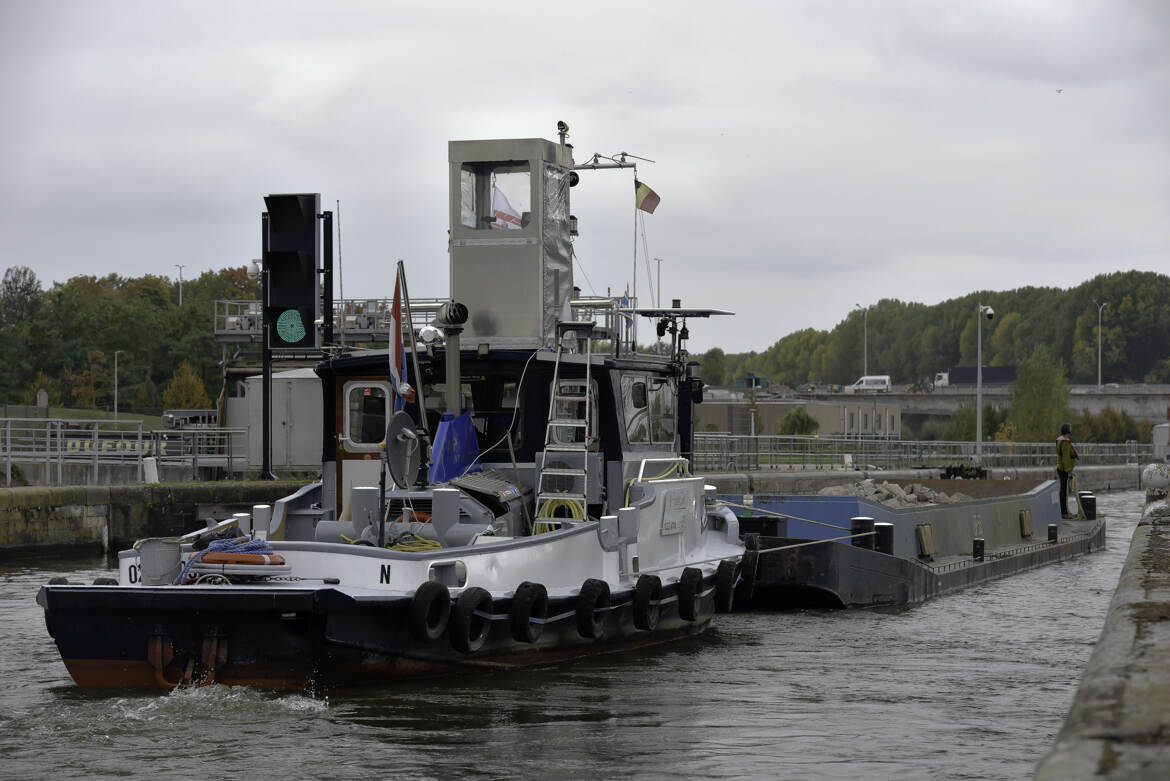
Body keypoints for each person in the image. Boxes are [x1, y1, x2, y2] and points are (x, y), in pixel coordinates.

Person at [1056, 422, 1079, 519]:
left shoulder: (1060, 440)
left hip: (1061, 468)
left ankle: (1063, 512)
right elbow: (1065, 458)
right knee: (1064, 492)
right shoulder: (1065, 442)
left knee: (1064, 491)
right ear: (1068, 430)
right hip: (1063, 470)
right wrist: (1068, 471)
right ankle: (1063, 513)